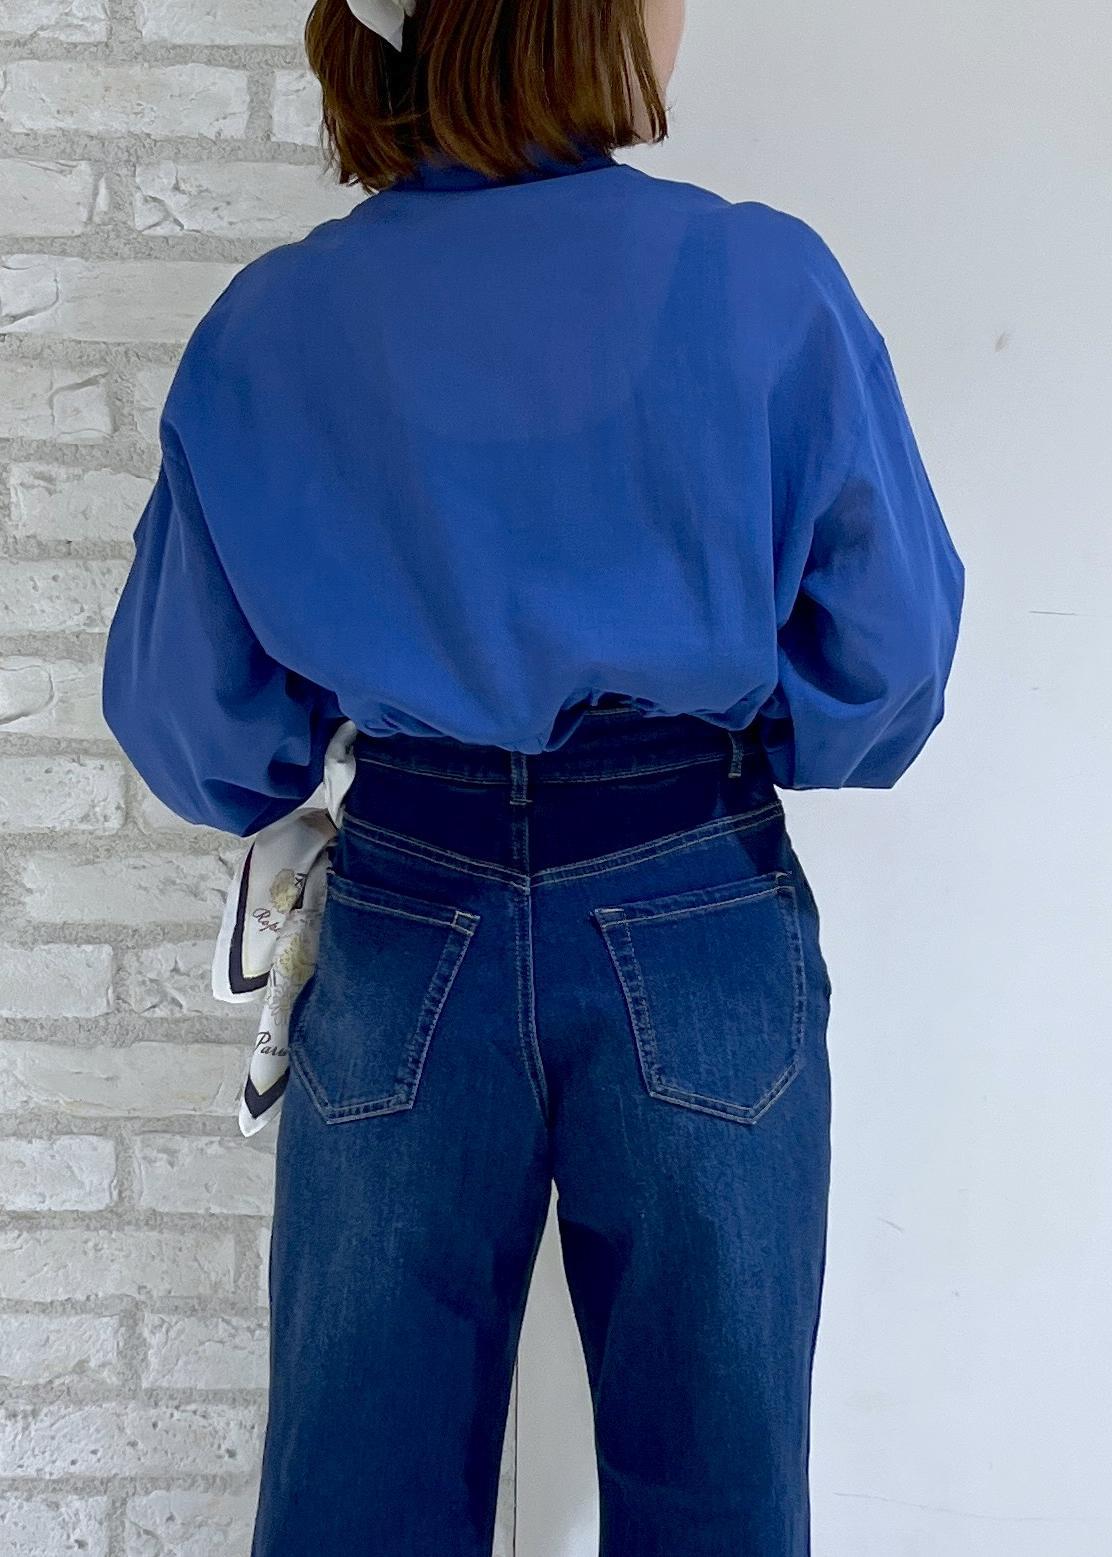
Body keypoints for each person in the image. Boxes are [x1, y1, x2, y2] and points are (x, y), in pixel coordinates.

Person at [99, 0, 965, 1552]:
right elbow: (885, 672)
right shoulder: (764, 285)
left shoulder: (273, 327)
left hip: (407, 912)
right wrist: (730, 726)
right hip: (691, 890)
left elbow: (197, 726)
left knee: (356, 1500)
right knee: (719, 1497)